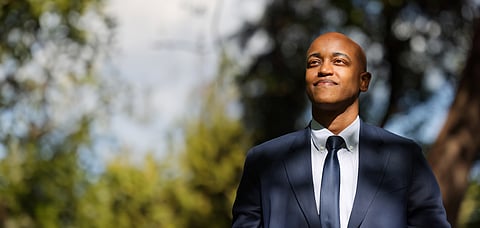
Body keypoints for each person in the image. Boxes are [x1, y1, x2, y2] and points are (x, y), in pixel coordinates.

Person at [231, 32, 450, 228]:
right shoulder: (264, 161)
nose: (324, 70)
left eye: (339, 61)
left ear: (364, 81)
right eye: (314, 62)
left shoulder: (405, 157)